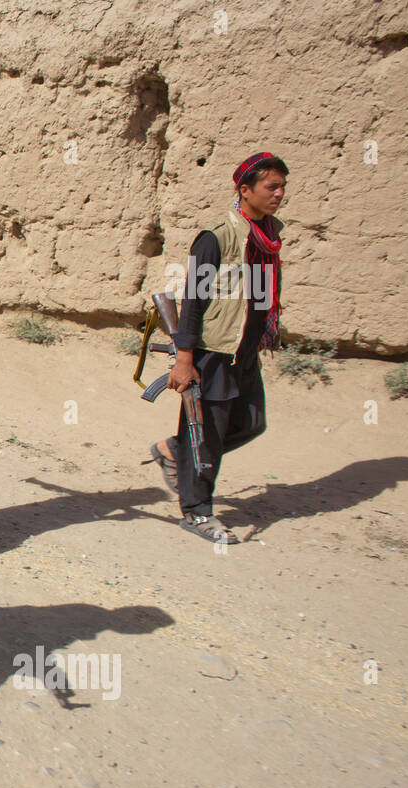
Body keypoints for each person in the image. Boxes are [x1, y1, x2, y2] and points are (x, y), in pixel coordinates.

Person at [147, 152, 289, 544]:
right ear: (245, 190)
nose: (279, 194)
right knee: (205, 437)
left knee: (251, 422)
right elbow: (193, 301)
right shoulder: (216, 239)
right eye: (270, 186)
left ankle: (175, 450)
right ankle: (196, 512)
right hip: (213, 351)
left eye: (282, 187)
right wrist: (186, 357)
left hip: (243, 352)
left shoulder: (267, 238)